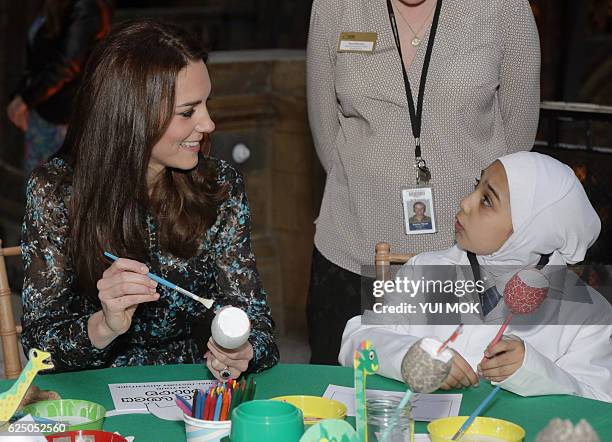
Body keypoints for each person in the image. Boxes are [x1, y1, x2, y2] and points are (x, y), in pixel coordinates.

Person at [20, 19, 279, 379]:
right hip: (96, 394)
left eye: (206, 104)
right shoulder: (57, 192)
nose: (208, 123)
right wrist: (104, 326)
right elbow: (38, 349)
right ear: (132, 116)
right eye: (188, 111)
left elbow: (257, 322)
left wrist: (242, 349)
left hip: (196, 388)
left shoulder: (219, 185)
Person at [306, 0, 541, 364]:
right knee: (346, 401)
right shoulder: (335, 7)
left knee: (455, 400)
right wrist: (374, 187)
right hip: (352, 249)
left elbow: (517, 139)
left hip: (462, 261)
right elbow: (325, 132)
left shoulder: (504, 8)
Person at [340, 152, 612, 402]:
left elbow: (598, 404)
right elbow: (356, 340)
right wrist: (406, 355)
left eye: (486, 201)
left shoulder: (588, 315)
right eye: (476, 186)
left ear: (531, 232)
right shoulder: (425, 269)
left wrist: (535, 372)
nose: (465, 202)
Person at [7, 0, 112, 177]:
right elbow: (37, 63)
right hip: (43, 113)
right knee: (38, 190)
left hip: (65, 120)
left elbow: (65, 65)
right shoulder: (54, 6)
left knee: (59, 190)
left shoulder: (85, 8)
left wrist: (25, 100)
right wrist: (20, 95)